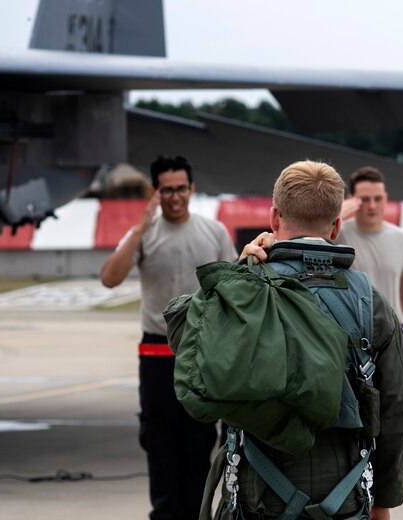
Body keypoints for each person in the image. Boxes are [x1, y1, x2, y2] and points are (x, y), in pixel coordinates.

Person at [239, 160, 403, 520]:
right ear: (336, 227)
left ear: (273, 219)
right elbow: (395, 405)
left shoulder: (245, 288)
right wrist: (384, 499)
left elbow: (191, 352)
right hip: (344, 493)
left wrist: (236, 274)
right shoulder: (371, 301)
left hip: (260, 492)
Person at [100, 155, 237, 520]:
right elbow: (110, 278)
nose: (175, 197)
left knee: (198, 447)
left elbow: (237, 293)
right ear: (155, 192)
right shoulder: (145, 235)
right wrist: (141, 227)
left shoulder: (215, 232)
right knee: (160, 447)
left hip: (203, 358)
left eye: (180, 189)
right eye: (166, 190)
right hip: (157, 356)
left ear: (192, 189)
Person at [339, 167, 403, 372]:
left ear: (386, 198)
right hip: (352, 337)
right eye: (364, 199)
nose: (372, 206)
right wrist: (338, 213)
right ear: (352, 200)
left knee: (394, 403)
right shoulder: (337, 236)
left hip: (394, 334)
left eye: (378, 198)